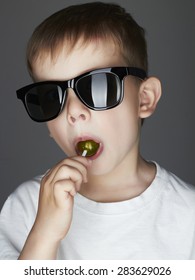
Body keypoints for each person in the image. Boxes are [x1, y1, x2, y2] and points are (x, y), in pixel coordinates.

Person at [0, 2, 195, 260]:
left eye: (96, 85)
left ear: (144, 99)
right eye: (51, 96)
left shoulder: (188, 216)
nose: (73, 112)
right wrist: (44, 234)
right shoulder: (26, 207)